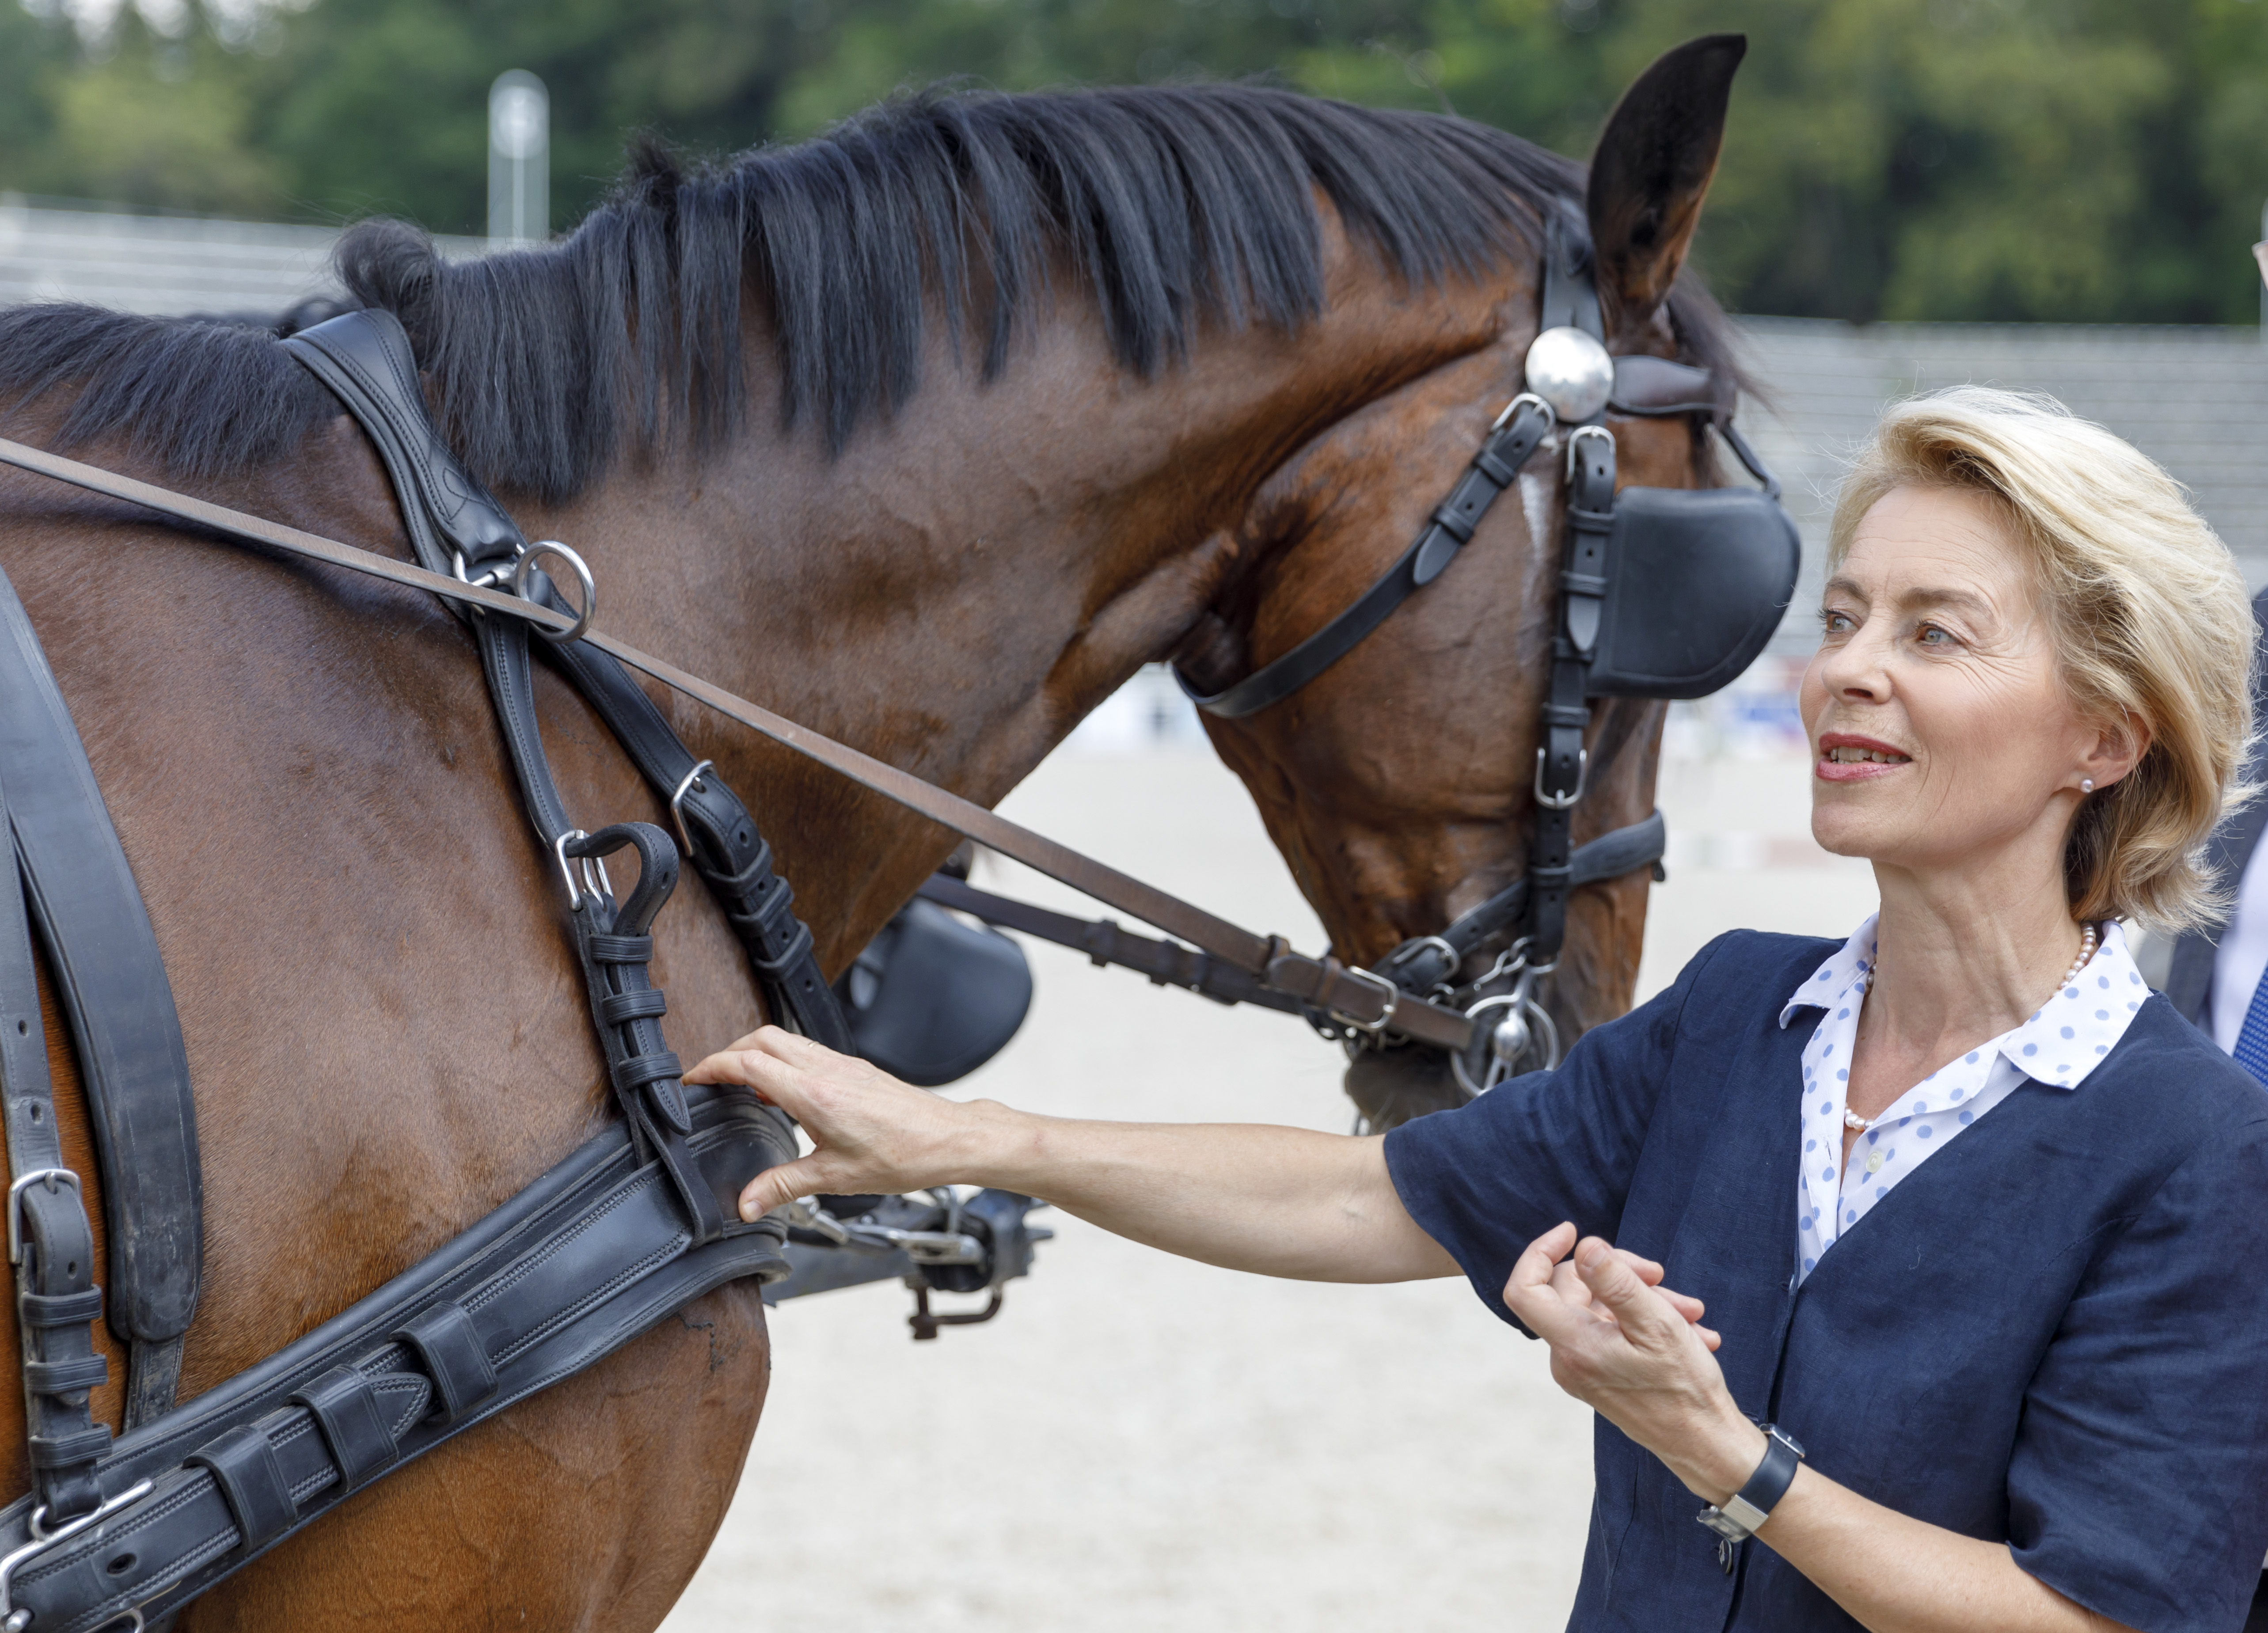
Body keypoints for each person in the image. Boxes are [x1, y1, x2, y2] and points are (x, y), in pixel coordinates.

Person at [690, 386, 2268, 1633]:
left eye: (1935, 631)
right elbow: (1372, 1201)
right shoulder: (1738, 1014)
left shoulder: (2200, 1154)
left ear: (2108, 739)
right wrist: (980, 1134)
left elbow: (2095, 1616)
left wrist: (1722, 1454)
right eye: (1845, 617)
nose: (1845, 671)